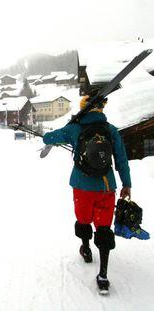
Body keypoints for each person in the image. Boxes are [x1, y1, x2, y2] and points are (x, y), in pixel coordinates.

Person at [43, 94, 131, 293]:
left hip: (82, 187)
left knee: (83, 220)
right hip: (106, 186)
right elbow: (122, 160)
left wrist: (71, 124)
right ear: (101, 109)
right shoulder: (111, 130)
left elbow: (47, 138)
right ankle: (103, 275)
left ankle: (86, 248)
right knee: (103, 227)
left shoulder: (75, 128)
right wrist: (127, 183)